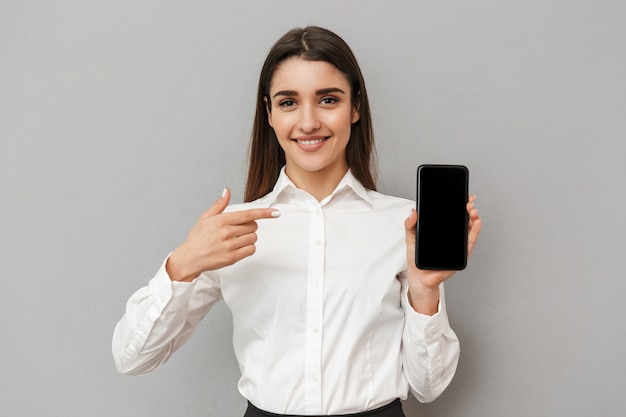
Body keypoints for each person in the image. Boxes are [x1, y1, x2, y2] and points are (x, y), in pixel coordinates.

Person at [112, 26, 482, 417]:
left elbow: (428, 387)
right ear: (269, 113)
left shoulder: (404, 223)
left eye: (328, 99)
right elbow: (132, 358)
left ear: (355, 107)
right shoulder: (230, 231)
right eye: (288, 102)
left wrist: (425, 292)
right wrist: (183, 264)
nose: (308, 123)